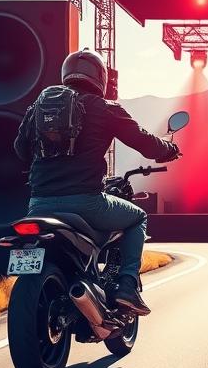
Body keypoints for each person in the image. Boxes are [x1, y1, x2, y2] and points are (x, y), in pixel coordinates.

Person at [13, 48, 180, 316]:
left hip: (38, 204)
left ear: (66, 74)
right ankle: (126, 286)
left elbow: (20, 151)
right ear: (100, 77)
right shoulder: (105, 109)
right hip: (87, 202)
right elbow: (145, 143)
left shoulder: (37, 110)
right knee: (137, 217)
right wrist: (169, 149)